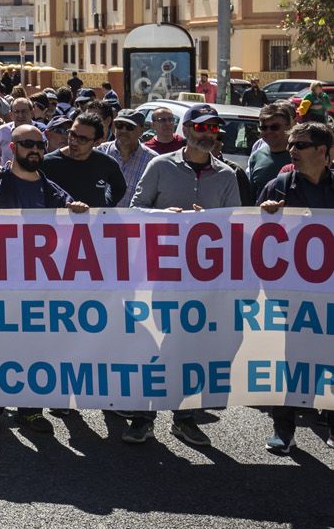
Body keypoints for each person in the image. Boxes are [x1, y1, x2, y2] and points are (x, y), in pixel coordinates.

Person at [127, 104, 245, 447]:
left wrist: (210, 220)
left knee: (193, 347)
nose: (208, 133)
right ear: (188, 128)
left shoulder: (226, 175)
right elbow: (134, 211)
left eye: (213, 129)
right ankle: (143, 417)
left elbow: (234, 223)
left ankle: (184, 418)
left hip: (202, 279)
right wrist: (164, 216)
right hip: (161, 273)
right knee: (158, 346)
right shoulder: (160, 166)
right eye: (202, 127)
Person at [0, 123, 89, 435]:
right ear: (13, 148)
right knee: (2, 348)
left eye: (40, 144)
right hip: (2, 286)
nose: (35, 150)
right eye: (27, 144)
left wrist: (78, 210)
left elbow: (77, 226)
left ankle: (30, 409)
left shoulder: (53, 191)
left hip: (42, 288)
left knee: (37, 348)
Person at [255, 120, 334, 454]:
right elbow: (252, 237)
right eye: (291, 145)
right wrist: (264, 216)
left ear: (323, 151)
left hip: (330, 292)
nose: (292, 151)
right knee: (289, 360)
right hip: (290, 293)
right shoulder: (279, 186)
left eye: (300, 145)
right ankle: (283, 430)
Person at [39, 110, 127, 207]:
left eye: (82, 139)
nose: (74, 142)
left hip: (95, 222)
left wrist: (105, 206)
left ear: (97, 142)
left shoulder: (106, 163)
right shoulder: (47, 163)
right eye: (72, 134)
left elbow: (120, 188)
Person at [97, 109, 156, 204]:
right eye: (119, 125)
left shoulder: (152, 161)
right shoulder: (100, 152)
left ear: (141, 131)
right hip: (101, 217)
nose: (123, 130)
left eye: (130, 127)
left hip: (136, 218)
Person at [247, 101, 295, 191]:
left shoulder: (300, 155)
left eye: (275, 127)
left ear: (289, 127)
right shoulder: (256, 156)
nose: (269, 131)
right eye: (264, 128)